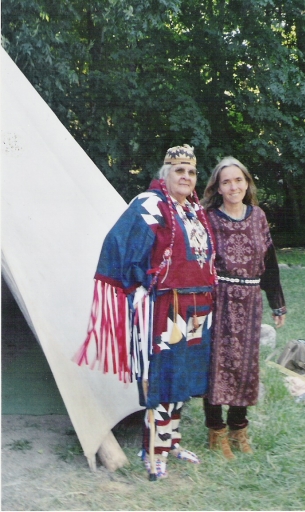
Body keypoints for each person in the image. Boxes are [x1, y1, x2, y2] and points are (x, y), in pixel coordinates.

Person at [75, 145, 217, 479]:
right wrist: (140, 287)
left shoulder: (195, 210)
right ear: (164, 174)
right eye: (178, 170)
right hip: (167, 308)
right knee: (164, 376)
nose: (185, 176)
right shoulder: (150, 204)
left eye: (191, 172)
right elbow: (118, 243)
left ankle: (172, 443)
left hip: (198, 307)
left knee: (185, 376)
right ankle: (153, 449)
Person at [201, 156, 286, 459]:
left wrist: (277, 304)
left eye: (239, 180)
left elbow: (270, 262)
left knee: (244, 367)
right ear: (218, 187)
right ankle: (216, 432)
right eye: (226, 181)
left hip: (249, 302)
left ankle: (239, 429)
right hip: (218, 300)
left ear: (247, 183)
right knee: (217, 366)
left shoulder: (259, 216)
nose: (233, 186)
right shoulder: (208, 218)